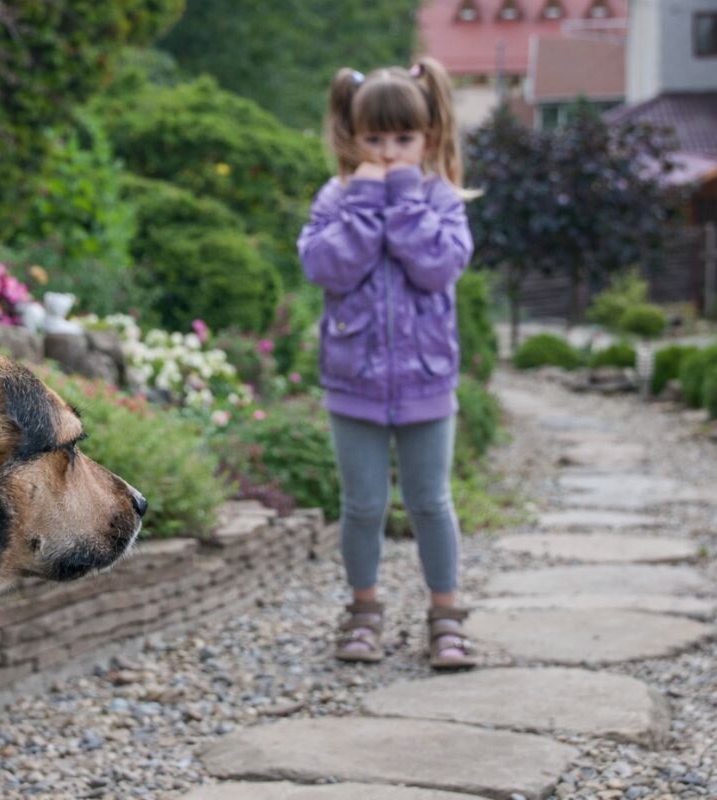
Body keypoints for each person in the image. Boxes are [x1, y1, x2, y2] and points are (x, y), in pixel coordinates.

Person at [297, 56, 476, 669]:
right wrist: (367, 201)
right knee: (363, 506)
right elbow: (327, 268)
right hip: (354, 384)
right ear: (353, 135)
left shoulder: (441, 198)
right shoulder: (337, 198)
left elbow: (439, 267)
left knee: (431, 501)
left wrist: (400, 201)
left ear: (429, 134)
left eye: (404, 138)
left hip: (427, 383)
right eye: (374, 137)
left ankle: (446, 615)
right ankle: (365, 610)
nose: (390, 149)